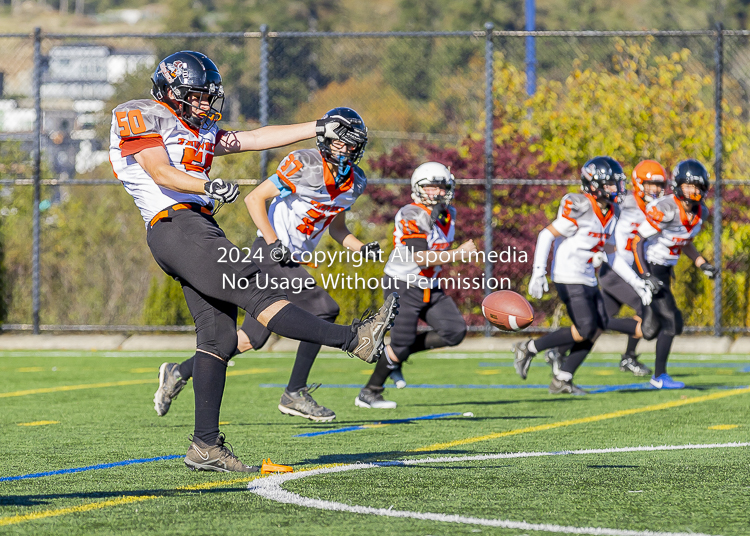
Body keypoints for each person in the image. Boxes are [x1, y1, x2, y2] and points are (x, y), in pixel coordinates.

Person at [110, 50, 398, 473]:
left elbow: (255, 137)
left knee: (220, 339)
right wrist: (205, 182)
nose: (206, 105)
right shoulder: (140, 114)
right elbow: (160, 172)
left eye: (210, 97)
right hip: (175, 225)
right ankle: (351, 340)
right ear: (170, 91)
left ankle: (205, 447)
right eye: (198, 97)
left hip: (196, 228)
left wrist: (318, 126)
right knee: (261, 293)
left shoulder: (200, 127)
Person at [156, 107, 380, 423]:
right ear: (324, 140)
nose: (345, 148)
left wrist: (361, 247)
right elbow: (254, 199)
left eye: (351, 143)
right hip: (271, 253)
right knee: (324, 308)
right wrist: (274, 242)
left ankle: (179, 371)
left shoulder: (354, 182)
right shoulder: (304, 164)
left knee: (248, 339)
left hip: (290, 259)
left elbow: (337, 228)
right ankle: (295, 392)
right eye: (339, 141)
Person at [513, 157, 653, 394]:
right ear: (593, 184)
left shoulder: (613, 210)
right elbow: (546, 235)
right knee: (587, 328)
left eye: (616, 183)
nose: (616, 189)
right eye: (609, 184)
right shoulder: (580, 205)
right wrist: (539, 272)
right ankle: (529, 347)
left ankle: (563, 378)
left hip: (587, 276)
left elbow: (612, 255)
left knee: (596, 327)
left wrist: (637, 283)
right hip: (567, 275)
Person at [356, 162, 476, 408]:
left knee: (454, 331)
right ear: (417, 188)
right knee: (401, 343)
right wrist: (459, 254)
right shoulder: (411, 213)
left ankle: (398, 356)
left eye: (441, 186)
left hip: (429, 284)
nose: (438, 192)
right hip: (403, 284)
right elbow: (419, 257)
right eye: (431, 186)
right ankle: (369, 392)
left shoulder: (448, 213)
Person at [543, 159, 667, 377]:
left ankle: (559, 351)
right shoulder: (623, 202)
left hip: (627, 269)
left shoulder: (654, 208)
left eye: (659, 185)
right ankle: (628, 357)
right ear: (638, 183)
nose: (655, 190)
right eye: (650, 185)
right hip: (614, 269)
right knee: (644, 311)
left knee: (597, 324)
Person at [619, 159, 716, 389]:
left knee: (650, 330)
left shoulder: (700, 213)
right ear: (679, 185)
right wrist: (644, 275)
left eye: (698, 186)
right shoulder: (666, 209)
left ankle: (600, 322)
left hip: (664, 269)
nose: (693, 191)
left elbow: (685, 242)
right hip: (650, 267)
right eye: (689, 185)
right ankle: (660, 376)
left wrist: (703, 264)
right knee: (673, 321)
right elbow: (637, 241)